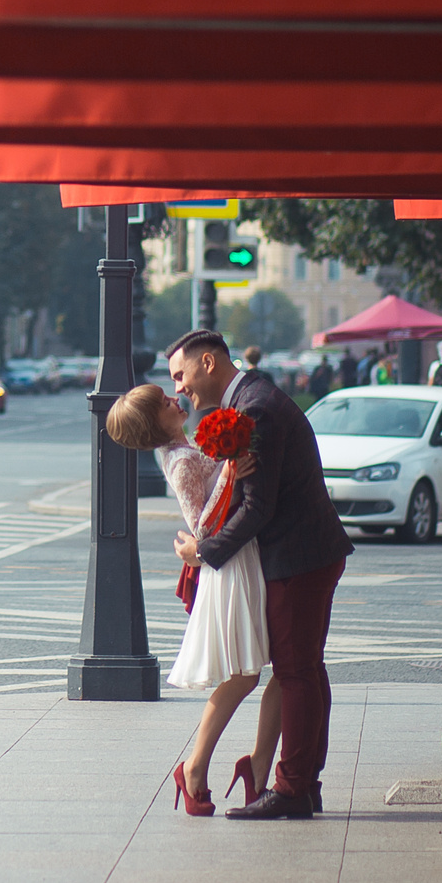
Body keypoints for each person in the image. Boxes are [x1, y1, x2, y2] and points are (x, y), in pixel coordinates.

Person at [167, 328, 354, 819]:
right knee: (305, 669)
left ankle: (292, 789)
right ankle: (303, 781)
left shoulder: (256, 408)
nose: (180, 388)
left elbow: (260, 508)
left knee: (296, 673)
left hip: (298, 557)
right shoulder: (254, 398)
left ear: (209, 362)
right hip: (305, 553)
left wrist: (204, 553)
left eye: (181, 375)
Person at [107, 381, 275, 817]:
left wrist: (228, 464)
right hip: (230, 564)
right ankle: (198, 768)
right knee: (246, 672)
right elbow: (201, 526)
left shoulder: (188, 448)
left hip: (240, 557)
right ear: (152, 423)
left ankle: (234, 767)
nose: (173, 399)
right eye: (163, 403)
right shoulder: (180, 462)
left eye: (168, 394)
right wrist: (232, 470)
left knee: (261, 669)